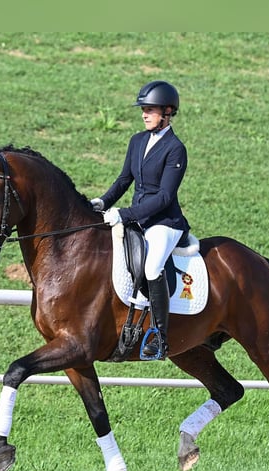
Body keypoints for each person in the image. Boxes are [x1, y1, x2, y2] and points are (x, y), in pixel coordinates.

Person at [91, 80, 190, 359]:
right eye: (143, 109)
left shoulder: (175, 149)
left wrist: (124, 214)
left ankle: (159, 336)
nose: (144, 114)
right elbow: (124, 180)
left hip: (164, 223)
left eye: (150, 109)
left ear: (167, 112)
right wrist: (102, 202)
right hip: (138, 218)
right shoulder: (137, 141)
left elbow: (164, 197)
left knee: (152, 268)